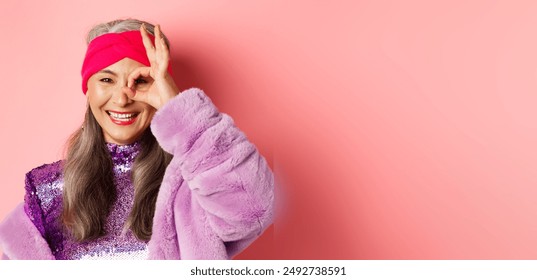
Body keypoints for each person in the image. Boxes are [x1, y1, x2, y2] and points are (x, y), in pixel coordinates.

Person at [0, 19, 274, 260]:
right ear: (88, 90)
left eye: (140, 81)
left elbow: (253, 210)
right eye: (107, 80)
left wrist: (176, 105)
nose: (122, 98)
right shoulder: (45, 191)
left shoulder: (194, 182)